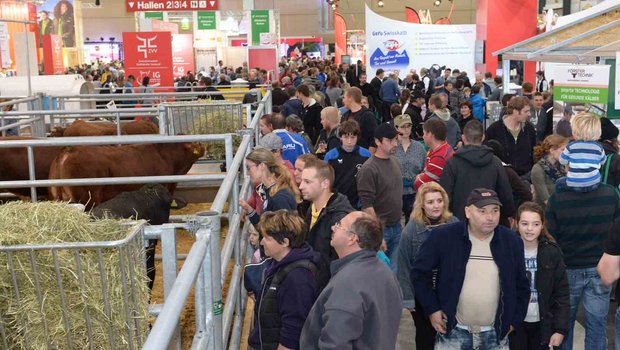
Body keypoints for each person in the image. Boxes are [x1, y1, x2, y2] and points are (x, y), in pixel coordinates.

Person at [412, 188, 530, 349]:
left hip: (495, 337)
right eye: (482, 211)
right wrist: (432, 309)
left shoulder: (511, 242)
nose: (490, 217)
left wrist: (514, 321)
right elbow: (419, 274)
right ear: (468, 212)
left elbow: (522, 286)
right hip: (453, 333)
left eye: (495, 210)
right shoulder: (444, 237)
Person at [299, 211, 403, 349]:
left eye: (339, 225)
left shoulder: (347, 284)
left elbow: (335, 344)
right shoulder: (385, 273)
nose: (333, 227)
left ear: (352, 239)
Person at [546, 167, 620, 350]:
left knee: (564, 325)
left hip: (568, 267)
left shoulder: (557, 198)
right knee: (597, 325)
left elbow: (551, 235)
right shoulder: (610, 194)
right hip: (600, 268)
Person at [395, 183, 459, 350]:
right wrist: (408, 299)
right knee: (425, 338)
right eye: (430, 202)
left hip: (448, 291)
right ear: (422, 204)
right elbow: (404, 265)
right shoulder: (411, 230)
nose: (436, 205)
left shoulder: (454, 224)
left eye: (439, 201)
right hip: (422, 294)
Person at [247, 210, 321, 350]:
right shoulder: (279, 264)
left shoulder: (298, 278)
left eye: (267, 238)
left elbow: (293, 331)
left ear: (284, 242)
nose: (262, 242)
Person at [509, 202, 570, 350]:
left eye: (535, 224)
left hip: (543, 323)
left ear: (542, 225)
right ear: (516, 224)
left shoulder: (552, 252)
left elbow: (562, 293)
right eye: (524, 223)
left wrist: (560, 329)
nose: (530, 229)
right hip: (514, 324)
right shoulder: (507, 250)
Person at [439, 119, 516, 223]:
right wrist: (508, 214)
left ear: (463, 137)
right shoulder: (495, 162)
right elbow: (505, 195)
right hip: (489, 222)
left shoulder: (452, 163)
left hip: (459, 223)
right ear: (483, 137)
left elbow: (445, 196)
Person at [298, 160, 353, 289]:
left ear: (325, 184)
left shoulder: (340, 218)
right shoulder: (311, 208)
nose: (300, 186)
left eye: (307, 181)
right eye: (301, 181)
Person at [357, 123, 403, 262]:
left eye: (395, 139)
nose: (394, 143)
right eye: (389, 140)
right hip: (381, 230)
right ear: (378, 142)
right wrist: (378, 235)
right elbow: (367, 205)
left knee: (395, 272)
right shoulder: (369, 169)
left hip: (397, 226)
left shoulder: (395, 162)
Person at [239, 149, 299, 227]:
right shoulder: (270, 191)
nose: (247, 173)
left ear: (261, 166)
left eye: (248, 168)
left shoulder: (280, 198)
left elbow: (281, 234)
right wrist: (249, 209)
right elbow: (266, 228)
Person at [324, 120, 371, 209]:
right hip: (337, 202)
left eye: (353, 137)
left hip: (358, 203)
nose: (349, 141)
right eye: (346, 137)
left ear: (357, 137)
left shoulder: (366, 155)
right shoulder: (331, 156)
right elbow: (325, 180)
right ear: (340, 137)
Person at [486, 96, 536, 177]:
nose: (529, 114)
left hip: (525, 177)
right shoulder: (494, 129)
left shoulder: (529, 129)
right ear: (515, 111)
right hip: (502, 177)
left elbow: (534, 153)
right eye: (526, 111)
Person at [557, 112, 606, 192]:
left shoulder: (570, 146)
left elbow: (562, 161)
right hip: (594, 183)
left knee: (559, 183)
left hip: (574, 183)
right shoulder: (599, 147)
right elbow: (603, 161)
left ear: (575, 131)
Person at [394, 114, 426, 224]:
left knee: (413, 225)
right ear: (396, 128)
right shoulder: (391, 148)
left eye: (408, 126)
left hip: (415, 194)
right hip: (395, 193)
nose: (406, 129)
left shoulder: (419, 148)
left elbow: (423, 170)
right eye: (403, 126)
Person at [414, 119, 454, 191]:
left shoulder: (439, 157)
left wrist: (418, 178)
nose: (423, 137)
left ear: (430, 135)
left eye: (424, 133)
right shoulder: (444, 149)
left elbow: (419, 185)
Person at [530, 135, 568, 208]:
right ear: (552, 150)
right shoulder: (538, 169)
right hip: (547, 212)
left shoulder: (562, 167)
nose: (566, 153)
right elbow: (546, 199)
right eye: (563, 150)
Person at [341, 87, 378, 152]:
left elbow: (374, 137)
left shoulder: (367, 115)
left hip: (363, 155)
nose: (343, 100)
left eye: (344, 97)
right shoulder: (345, 115)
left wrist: (369, 157)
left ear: (350, 98)